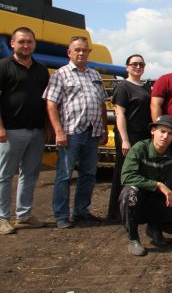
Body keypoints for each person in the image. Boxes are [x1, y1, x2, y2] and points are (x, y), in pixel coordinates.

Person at [43, 36, 108, 229]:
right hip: (71, 132)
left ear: (89, 53)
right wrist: (58, 131)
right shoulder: (60, 74)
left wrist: (103, 128)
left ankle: (81, 211)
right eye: (77, 50)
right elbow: (51, 104)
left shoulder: (95, 75)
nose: (81, 53)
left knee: (88, 174)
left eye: (84, 50)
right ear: (69, 53)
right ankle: (62, 215)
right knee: (64, 175)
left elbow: (102, 104)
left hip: (92, 132)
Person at [120, 115, 172, 256]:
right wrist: (158, 185)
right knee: (129, 193)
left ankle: (155, 228)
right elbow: (127, 176)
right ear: (153, 131)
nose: (165, 136)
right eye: (162, 131)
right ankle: (134, 239)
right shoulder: (140, 148)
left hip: (164, 203)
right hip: (140, 202)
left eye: (170, 133)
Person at [0, 27, 49, 234]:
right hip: (10, 131)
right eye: (21, 42)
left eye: (29, 41)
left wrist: (47, 127)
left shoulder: (41, 69)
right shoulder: (3, 66)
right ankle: (2, 218)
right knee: (4, 175)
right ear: (12, 44)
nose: (26, 45)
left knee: (29, 175)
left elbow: (48, 101)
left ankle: (24, 215)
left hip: (36, 130)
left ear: (34, 44)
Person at [107, 54, 151, 222]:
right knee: (124, 172)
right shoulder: (123, 87)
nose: (138, 67)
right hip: (129, 135)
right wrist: (125, 139)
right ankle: (119, 212)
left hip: (144, 135)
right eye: (134, 64)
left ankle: (137, 210)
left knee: (140, 171)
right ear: (127, 67)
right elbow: (119, 114)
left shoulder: (146, 87)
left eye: (141, 64)